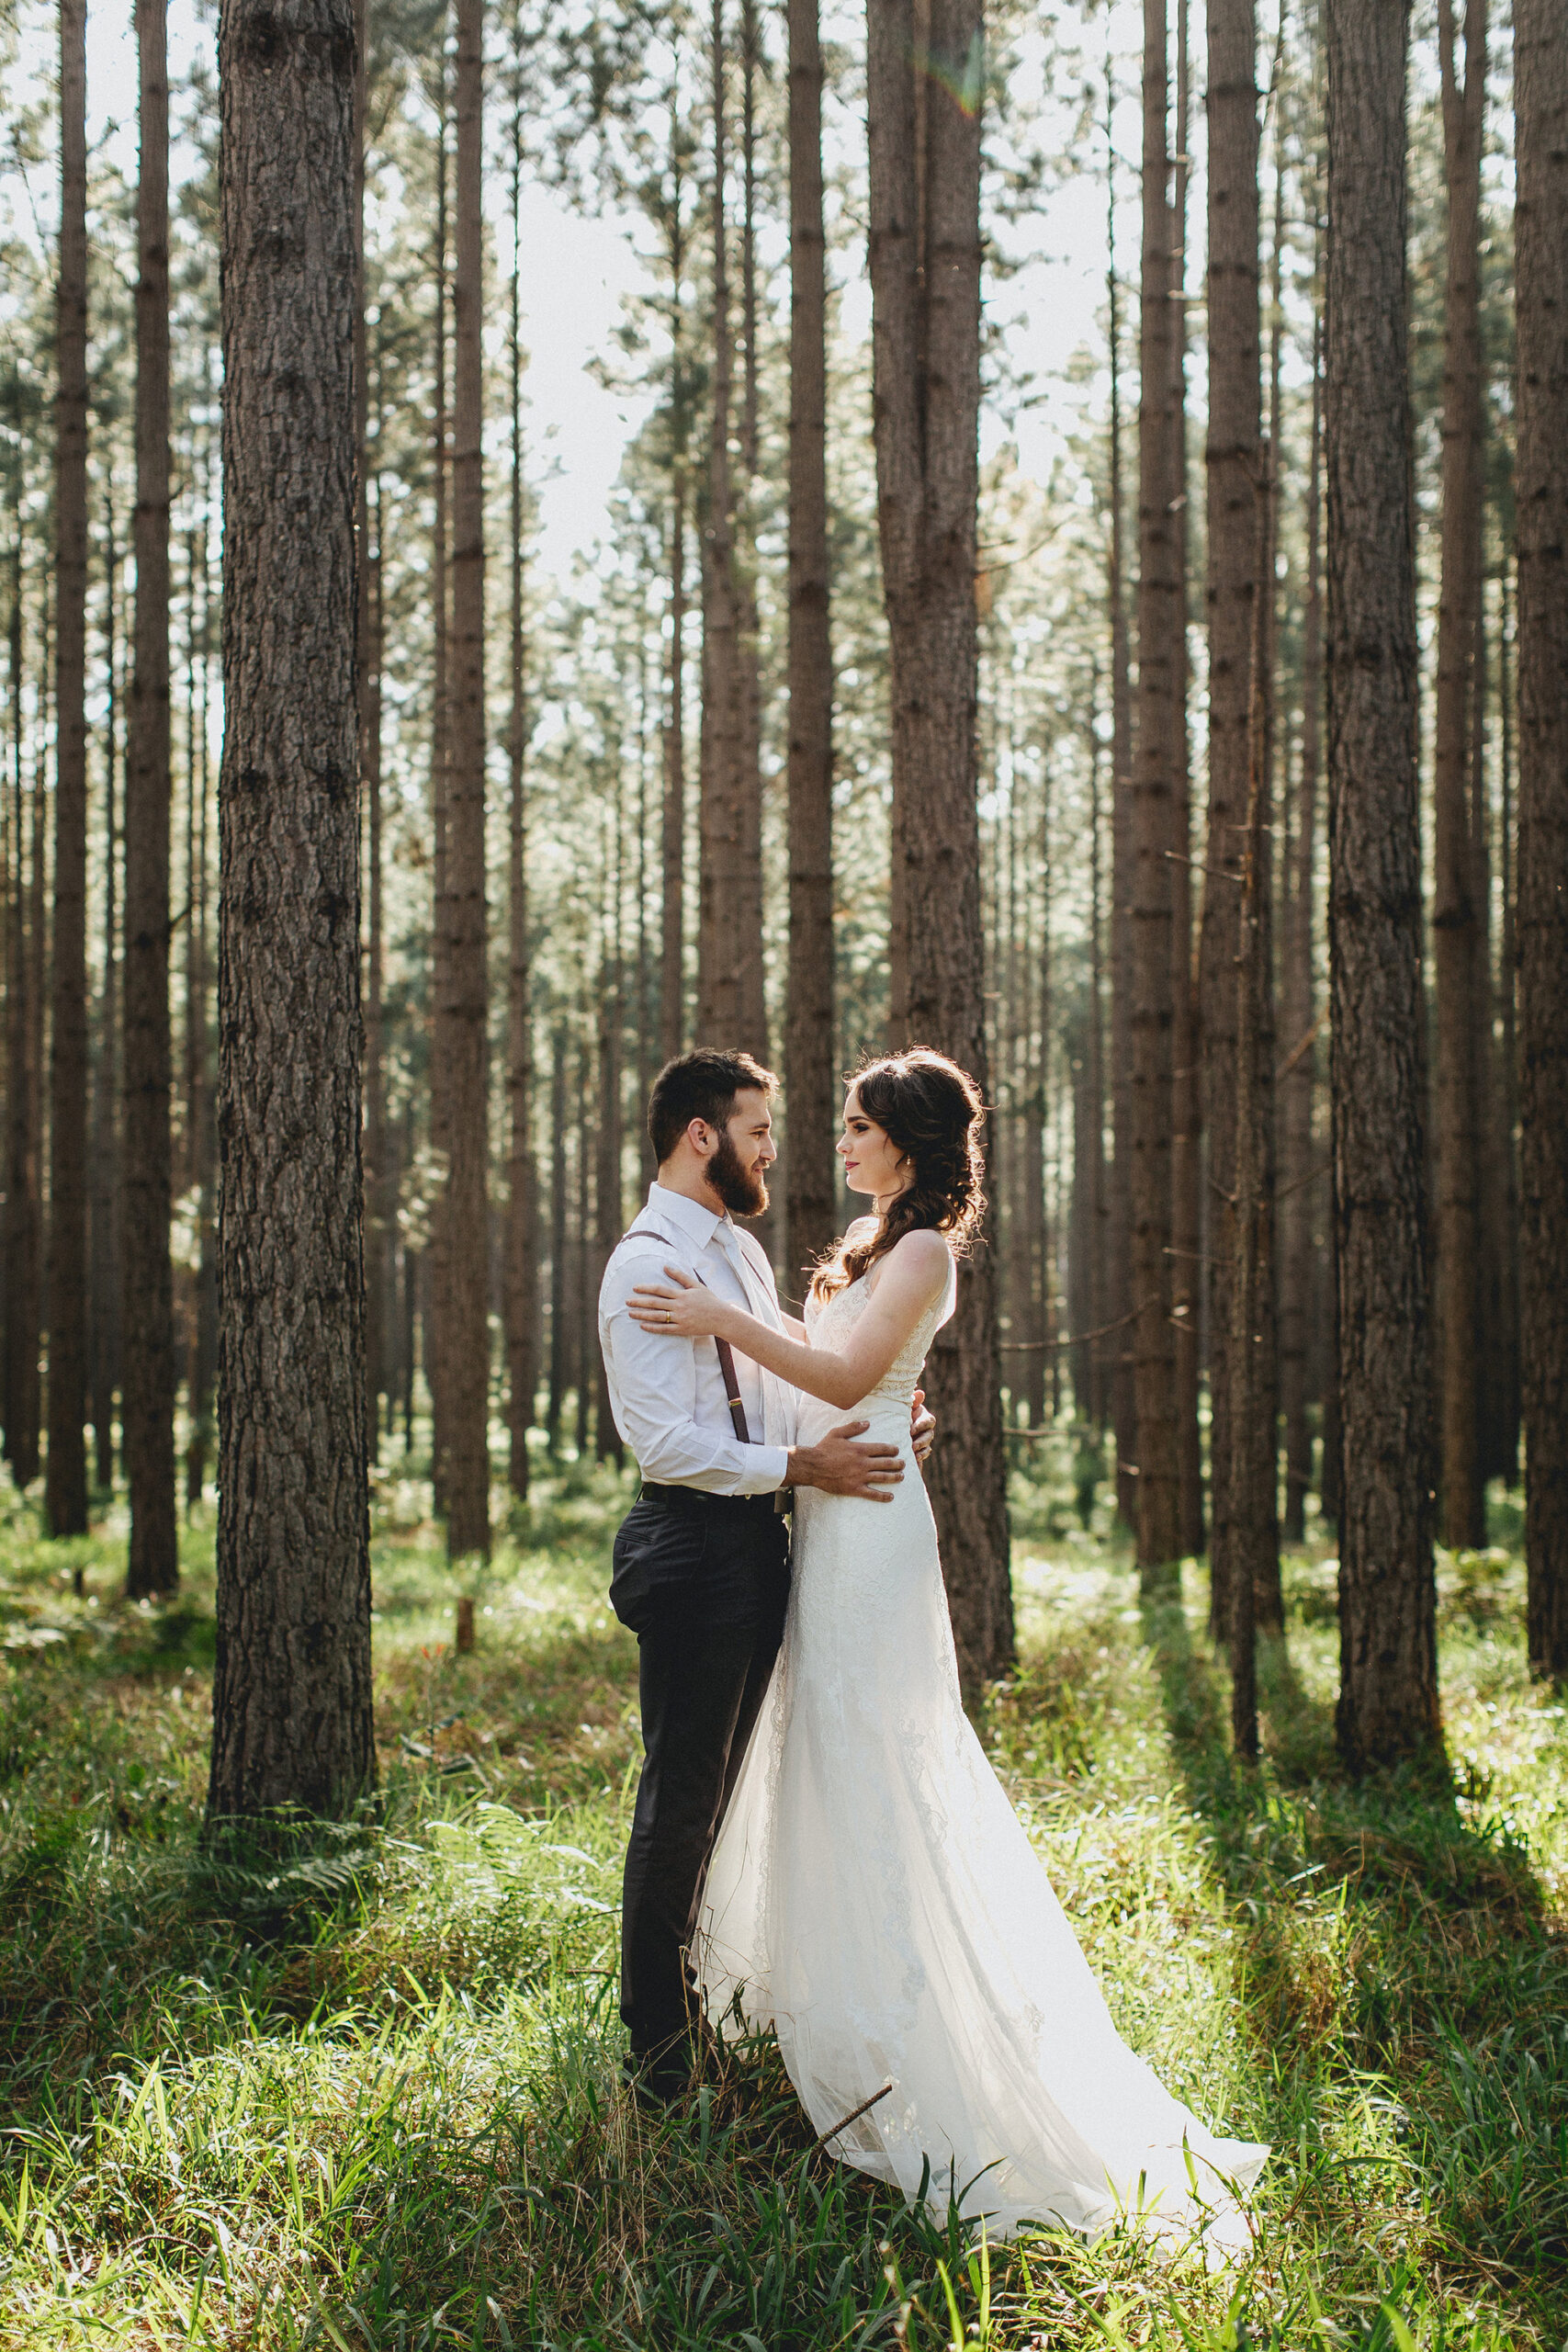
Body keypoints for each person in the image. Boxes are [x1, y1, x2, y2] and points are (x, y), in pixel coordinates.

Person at [626, 1047, 1269, 2252]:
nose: (841, 1144)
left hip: (867, 1536)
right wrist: (848, 1405)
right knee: (824, 1756)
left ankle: (914, 2040)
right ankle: (834, 2017)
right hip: (823, 1517)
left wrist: (724, 1320)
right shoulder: (869, 1246)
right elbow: (835, 1387)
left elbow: (846, 1370)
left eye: (860, 1127)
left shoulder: (920, 1249)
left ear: (909, 1144)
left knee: (876, 1764)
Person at [597, 1048, 936, 2103]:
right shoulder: (649, 1261)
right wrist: (803, 1463)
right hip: (692, 1544)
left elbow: (780, 1391)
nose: (773, 1148)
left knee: (728, 1794)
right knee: (681, 1803)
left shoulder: (735, 1256)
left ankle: (709, 2014)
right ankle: (658, 2059)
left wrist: (872, 1419)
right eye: (755, 1128)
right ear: (701, 1134)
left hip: (757, 1545)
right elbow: (666, 1444)